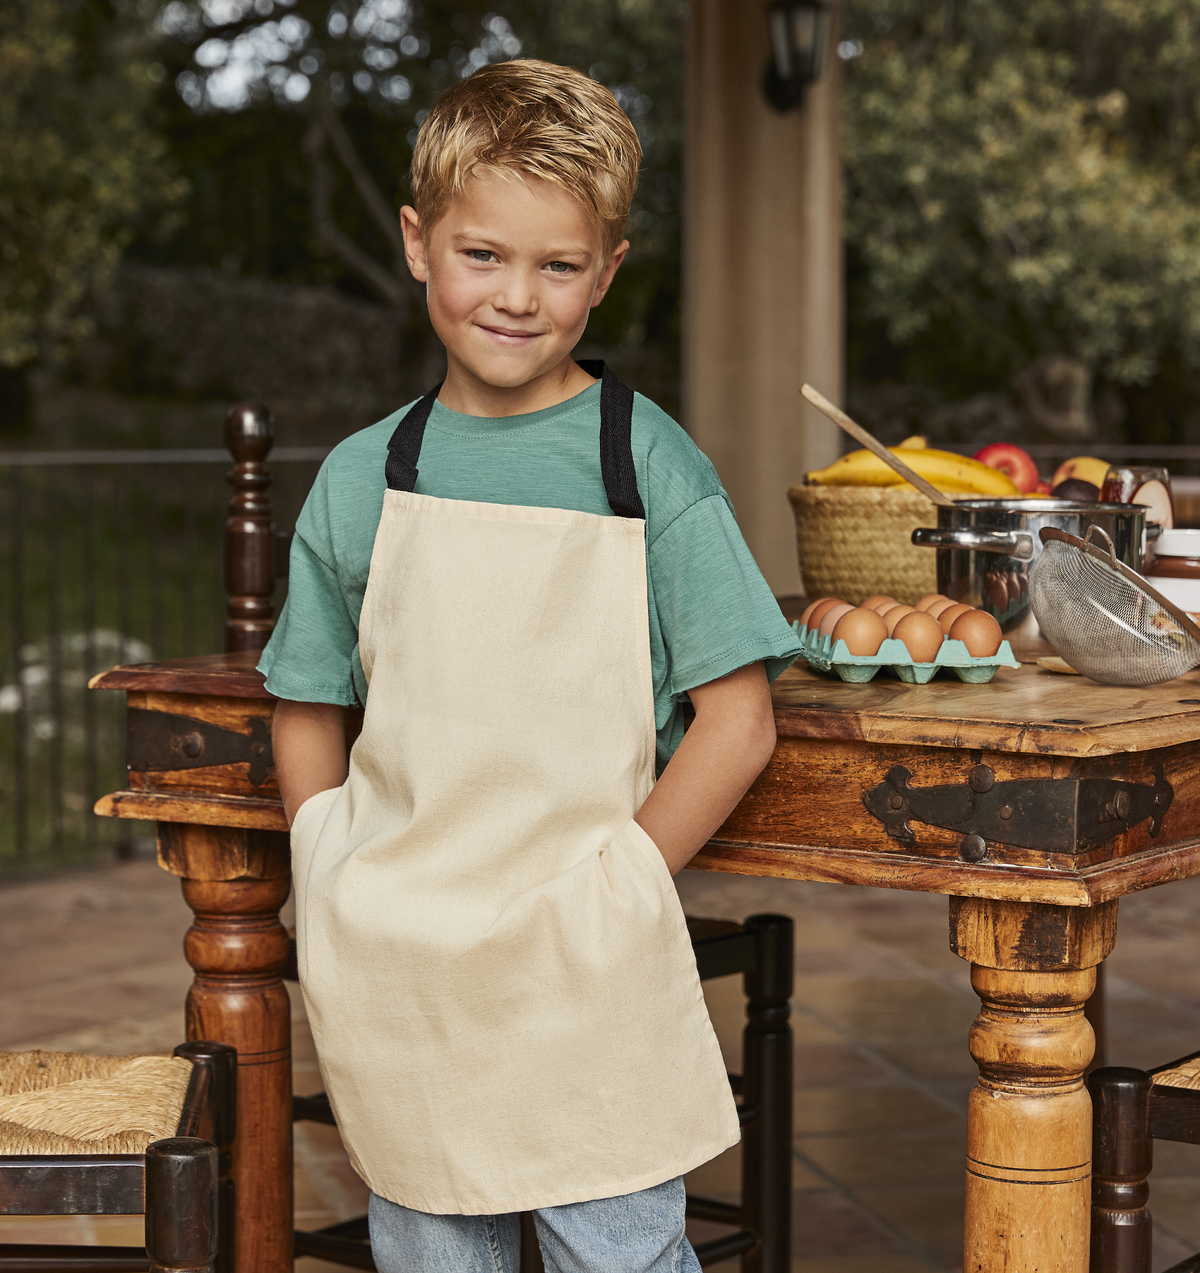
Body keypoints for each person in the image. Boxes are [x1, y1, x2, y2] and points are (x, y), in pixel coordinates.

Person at [260, 58, 803, 1273]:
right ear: (418, 243)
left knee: (618, 1251)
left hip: (581, 970)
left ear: (606, 271)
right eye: (482, 255)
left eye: (558, 265)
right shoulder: (363, 477)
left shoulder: (646, 465)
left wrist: (621, 882)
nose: (517, 296)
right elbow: (307, 697)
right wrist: (329, 863)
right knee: (432, 1250)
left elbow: (739, 717)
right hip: (410, 971)